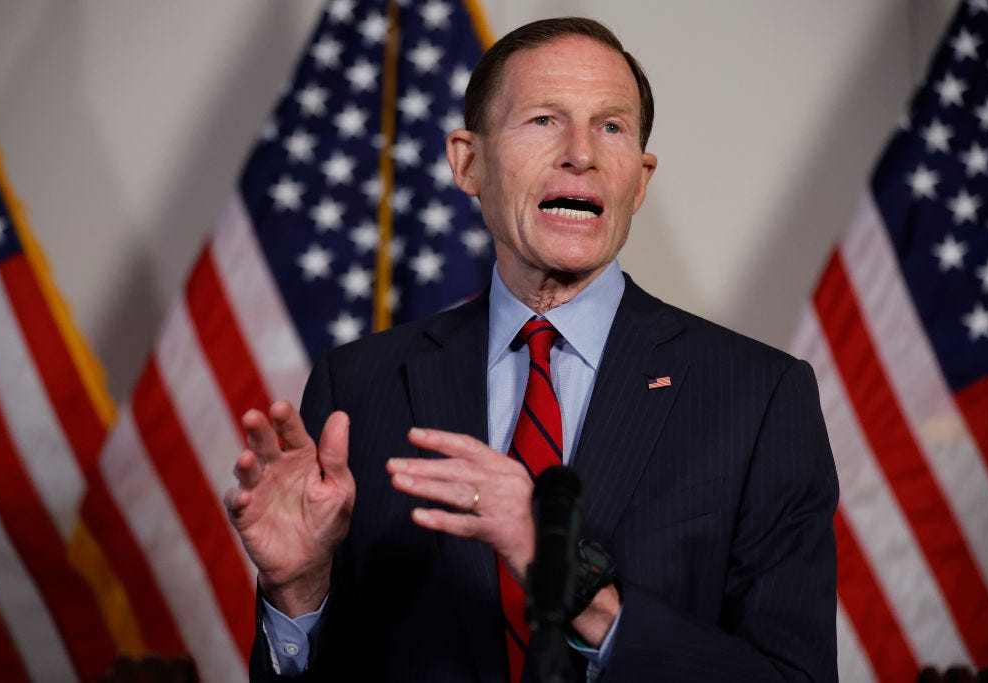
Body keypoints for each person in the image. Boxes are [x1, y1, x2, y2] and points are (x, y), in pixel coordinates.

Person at [224, 16, 839, 682]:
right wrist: (299, 592)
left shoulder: (757, 395)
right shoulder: (360, 385)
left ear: (639, 178)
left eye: (612, 127)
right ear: (468, 161)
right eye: (545, 120)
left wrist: (580, 593)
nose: (582, 153)